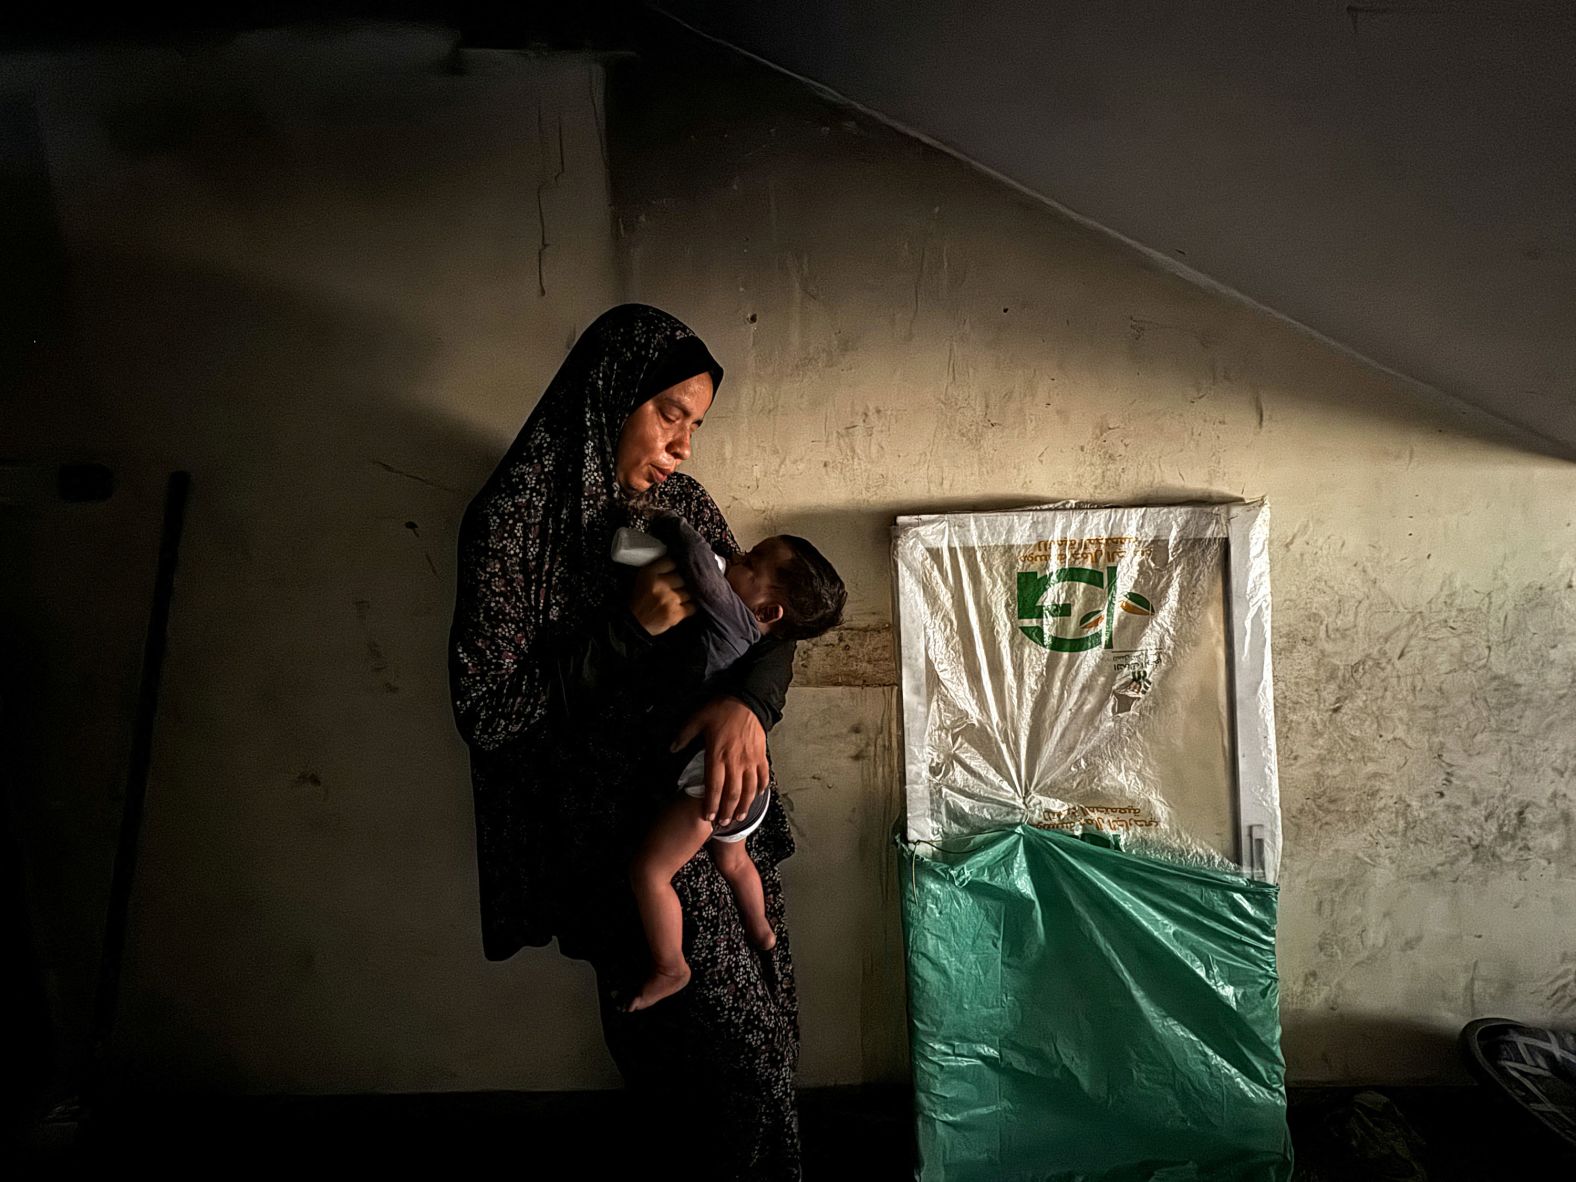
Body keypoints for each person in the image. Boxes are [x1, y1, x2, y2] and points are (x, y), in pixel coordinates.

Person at [448, 304, 804, 1179]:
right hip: (612, 831)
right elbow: (490, 710)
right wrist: (627, 632)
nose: (683, 447)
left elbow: (770, 620)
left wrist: (747, 710)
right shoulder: (514, 526)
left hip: (711, 804)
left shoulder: (677, 505)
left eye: (695, 424)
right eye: (668, 414)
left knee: (770, 1020)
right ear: (608, 399)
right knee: (706, 1055)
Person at [620, 513, 845, 1013]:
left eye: (750, 561)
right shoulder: (758, 630)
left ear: (768, 609)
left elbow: (701, 566)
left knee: (651, 873)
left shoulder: (729, 615)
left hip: (712, 785)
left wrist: (674, 529)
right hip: (750, 793)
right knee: (735, 861)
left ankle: (670, 966)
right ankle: (762, 931)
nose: (736, 558)